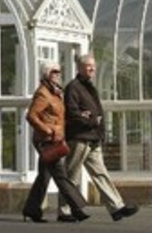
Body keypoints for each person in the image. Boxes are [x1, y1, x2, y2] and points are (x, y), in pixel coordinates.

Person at [58, 54, 139, 223]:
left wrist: (95, 125)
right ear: (80, 68)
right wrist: (91, 120)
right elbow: (72, 113)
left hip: (92, 138)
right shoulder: (73, 87)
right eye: (88, 66)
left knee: (101, 174)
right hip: (79, 138)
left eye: (93, 66)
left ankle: (116, 207)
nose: (92, 69)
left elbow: (91, 112)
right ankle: (64, 211)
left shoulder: (88, 86)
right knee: (71, 176)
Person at [22, 61, 90, 223]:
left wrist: (79, 116)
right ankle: (77, 207)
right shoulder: (43, 93)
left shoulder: (56, 93)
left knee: (44, 176)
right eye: (54, 72)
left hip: (56, 139)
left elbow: (59, 117)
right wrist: (47, 130)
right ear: (46, 74)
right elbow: (31, 115)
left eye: (59, 72)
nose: (58, 74)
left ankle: (31, 210)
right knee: (60, 175)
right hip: (47, 141)